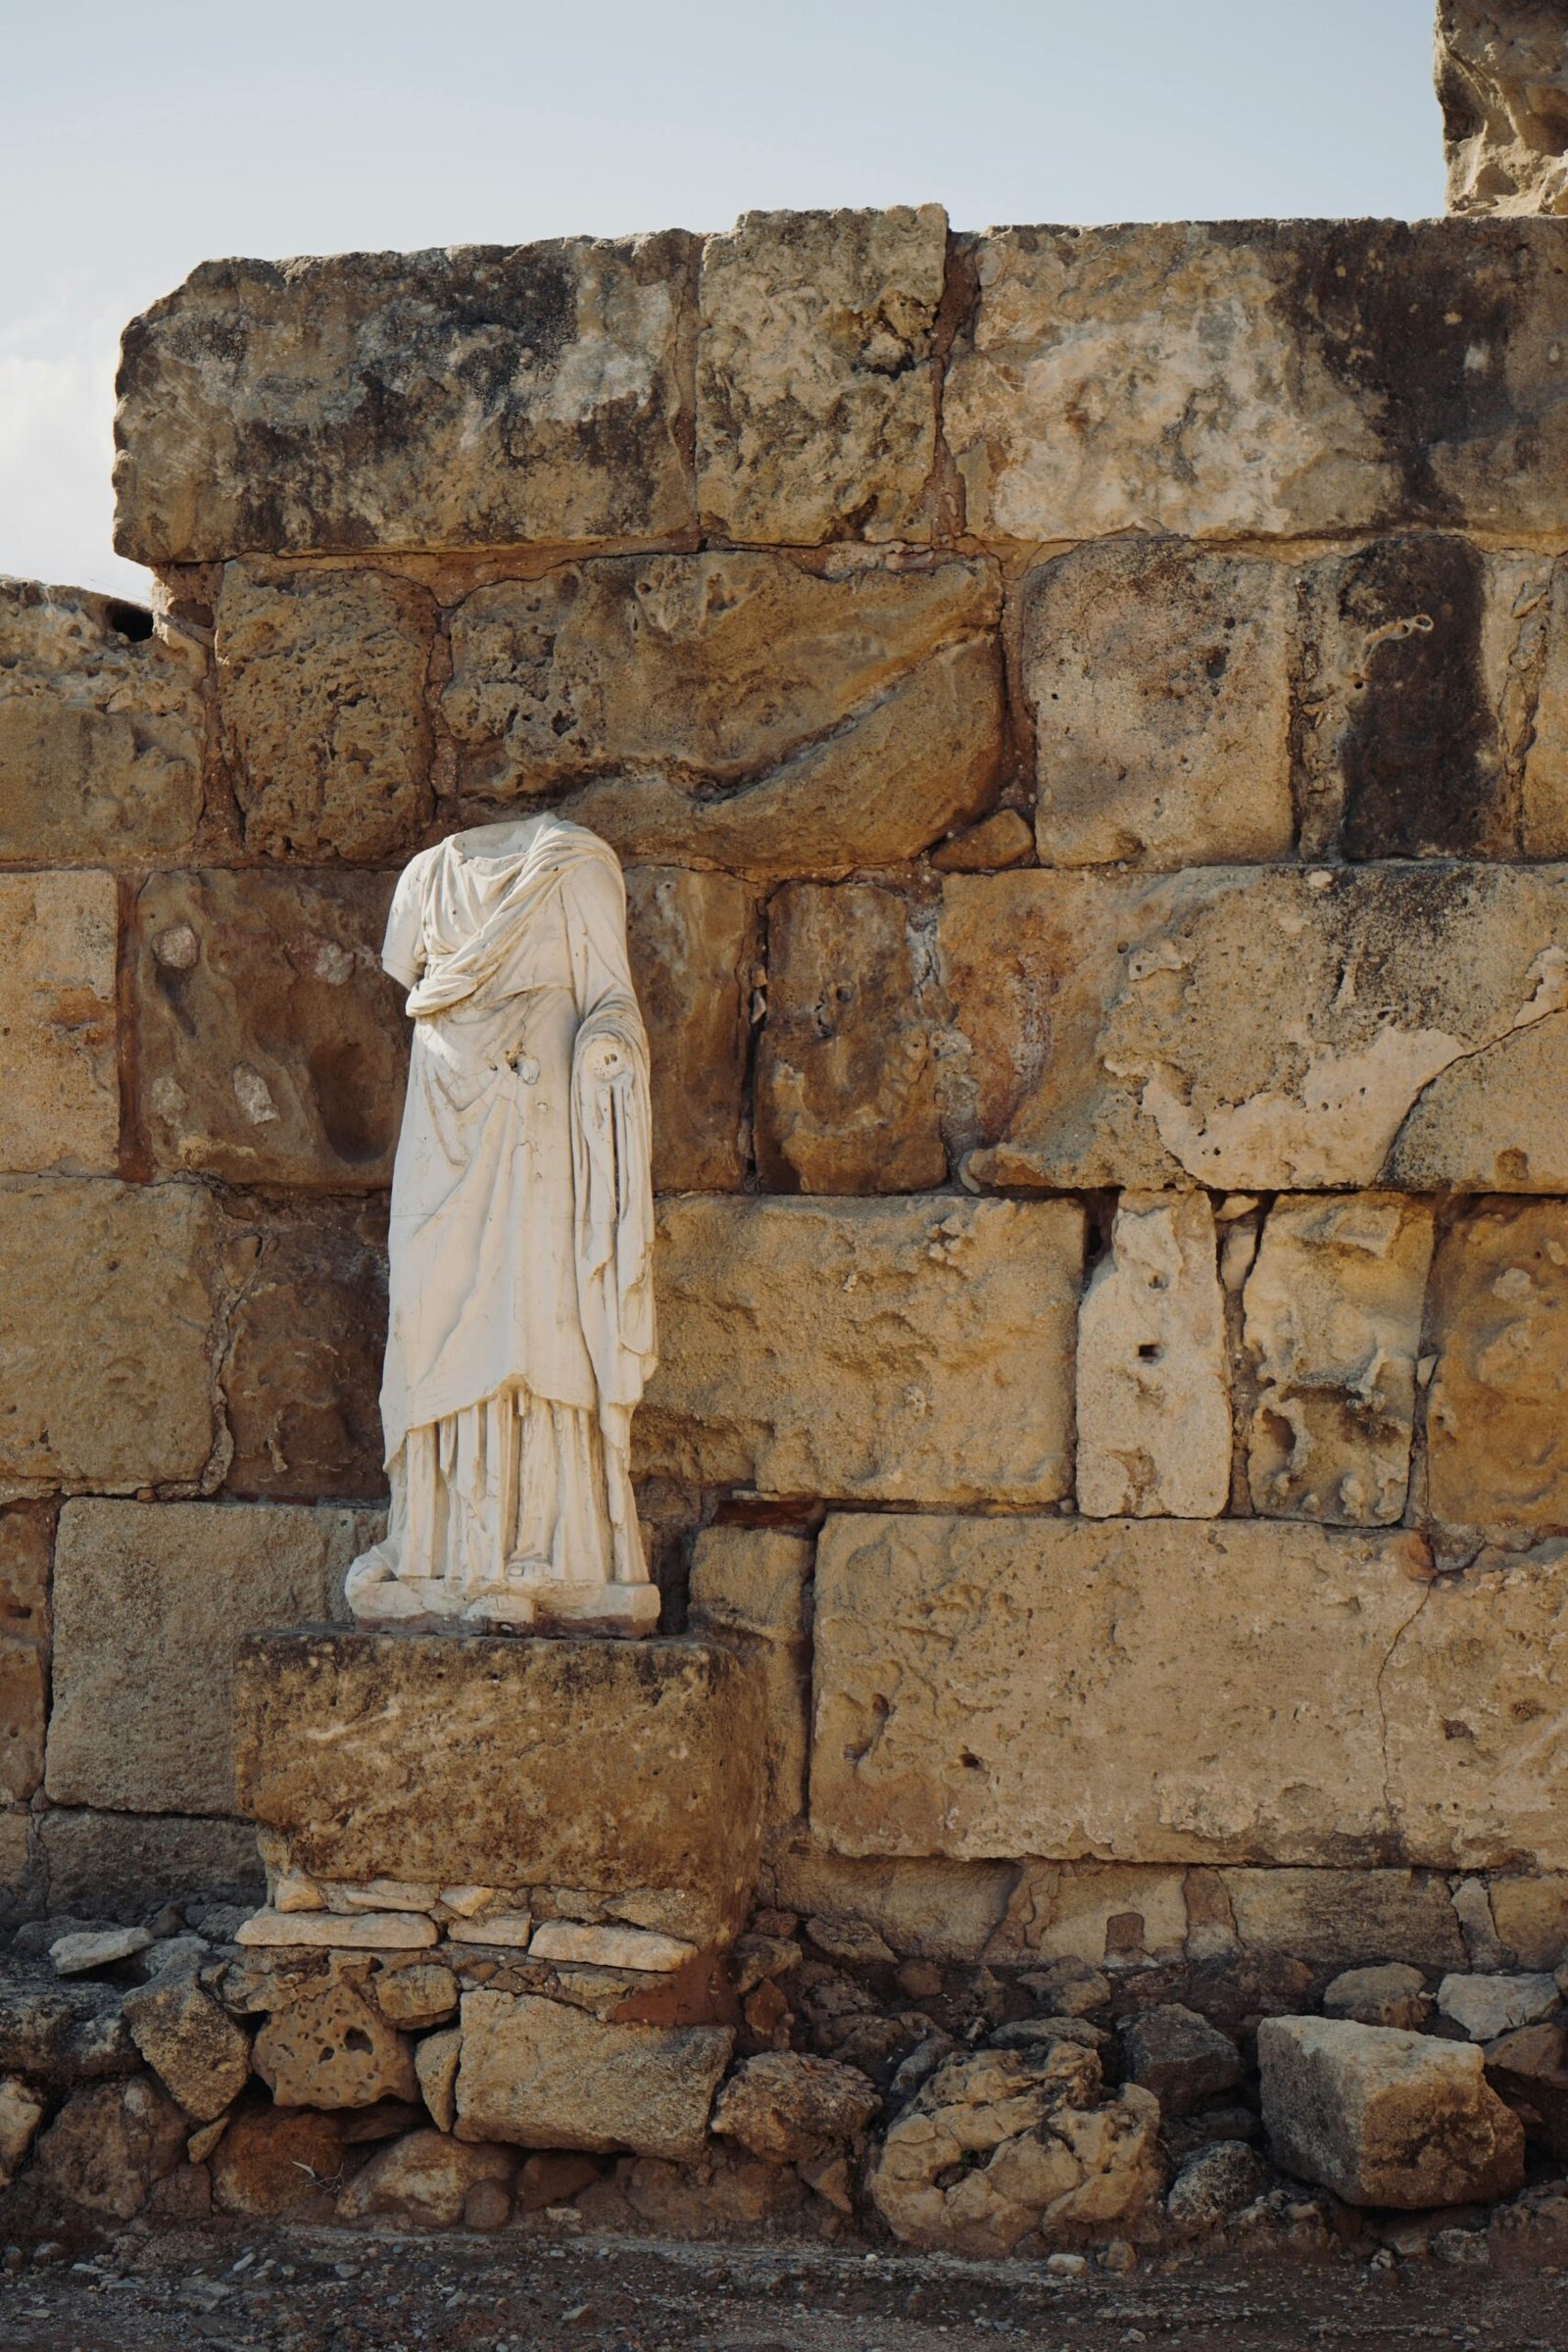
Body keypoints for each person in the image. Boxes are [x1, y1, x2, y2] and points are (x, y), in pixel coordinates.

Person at [343, 813, 659, 1634]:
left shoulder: (579, 866)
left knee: (537, 1318)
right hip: (443, 1125)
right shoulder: (425, 879)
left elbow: (612, 1002)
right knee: (430, 1311)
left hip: (541, 1119)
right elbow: (405, 967)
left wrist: (607, 1054)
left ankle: (551, 1556)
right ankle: (431, 1546)